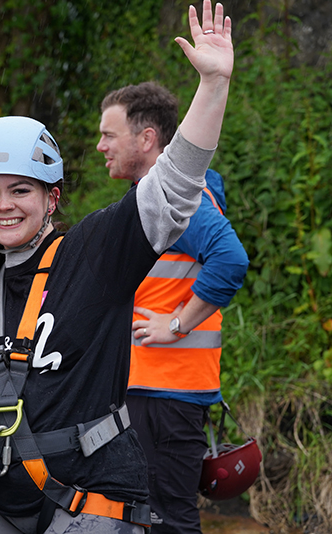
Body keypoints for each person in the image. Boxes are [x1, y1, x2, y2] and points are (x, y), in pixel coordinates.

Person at [0, 1, 234, 532]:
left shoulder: (97, 252)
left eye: (21, 191)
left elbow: (173, 185)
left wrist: (213, 85)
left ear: (52, 198)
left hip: (88, 494)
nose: (4, 205)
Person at [97, 79, 249, 531]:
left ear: (146, 139)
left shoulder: (181, 202)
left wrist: (177, 325)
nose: (100, 145)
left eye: (109, 134)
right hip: (151, 391)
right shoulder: (151, 200)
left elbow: (231, 258)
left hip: (168, 394)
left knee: (169, 522)